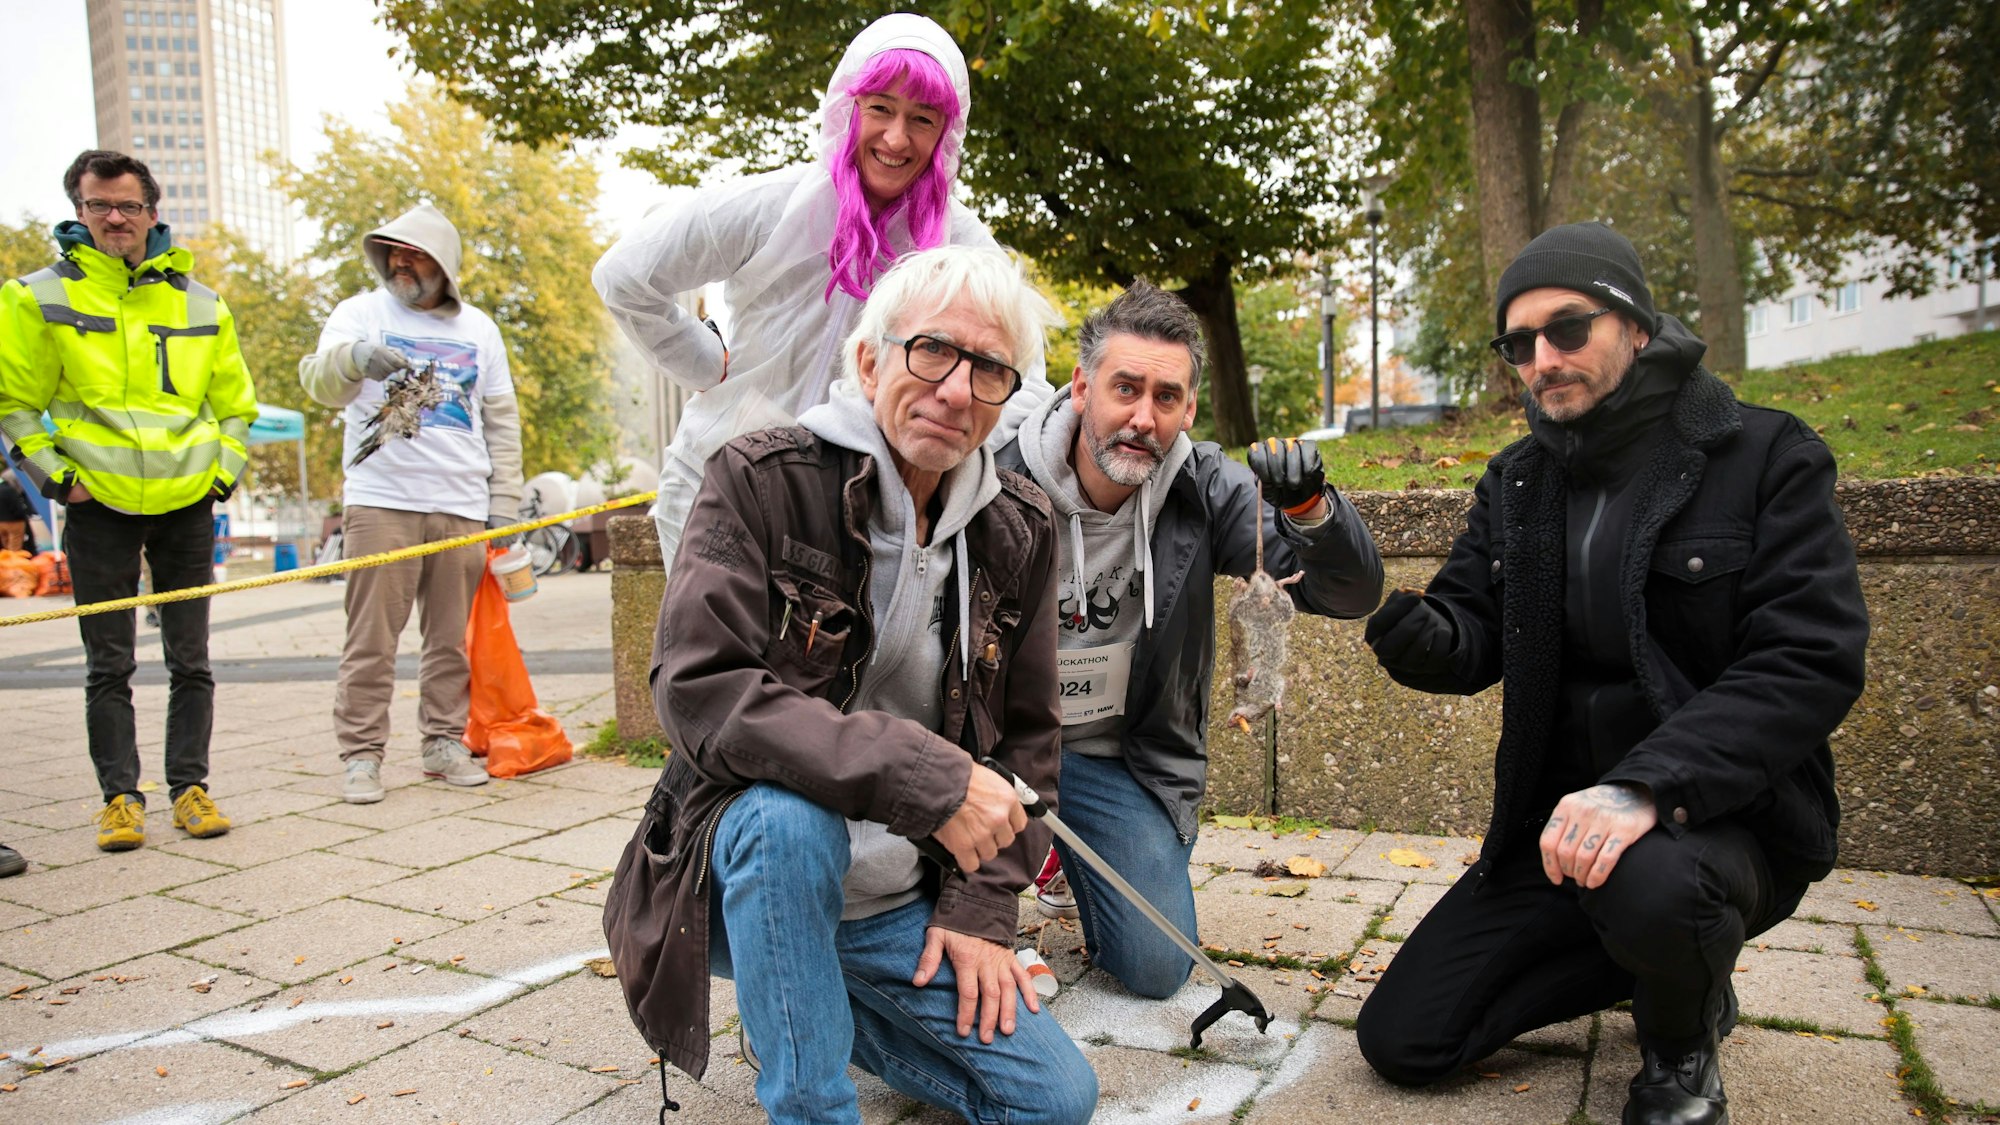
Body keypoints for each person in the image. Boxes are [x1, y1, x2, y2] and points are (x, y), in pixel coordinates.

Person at [1356, 222, 1869, 1124]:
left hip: (1718, 826)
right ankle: (1670, 964)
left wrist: (1642, 787)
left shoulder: (1765, 457)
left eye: (1568, 329)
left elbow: (1809, 661)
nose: (1543, 359)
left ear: (1635, 325)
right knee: (1404, 1040)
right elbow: (1469, 636)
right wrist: (1384, 611)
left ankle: (1681, 1039)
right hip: (1563, 838)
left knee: (1657, 888)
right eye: (1520, 343)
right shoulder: (1517, 479)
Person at [606, 246, 1096, 1124]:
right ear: (870, 359)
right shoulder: (759, 477)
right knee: (790, 819)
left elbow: (1029, 750)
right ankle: (810, 1097)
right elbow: (699, 690)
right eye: (932, 351)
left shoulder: (1020, 528)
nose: (955, 389)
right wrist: (923, 774)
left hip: (892, 895)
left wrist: (981, 905)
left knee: (1055, 1101)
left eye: (989, 370)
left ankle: (805, 996)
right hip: (744, 868)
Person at [997, 280, 1384, 994]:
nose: (1143, 418)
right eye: (1125, 388)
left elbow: (1349, 592)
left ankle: (1064, 858)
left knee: (1156, 967)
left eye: (1166, 397)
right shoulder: (1001, 478)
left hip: (1114, 759)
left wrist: (1312, 508)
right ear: (1082, 387)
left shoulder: (1207, 487)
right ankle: (999, 901)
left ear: (1190, 408)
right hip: (999, 748)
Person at [593, 13, 1051, 576]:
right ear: (847, 108)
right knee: (710, 660)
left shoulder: (963, 245)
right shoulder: (769, 206)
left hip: (865, 523)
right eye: (880, 108)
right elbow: (626, 275)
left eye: (922, 119)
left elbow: (1025, 382)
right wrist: (705, 362)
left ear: (946, 134)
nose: (896, 137)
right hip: (721, 493)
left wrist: (934, 442)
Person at [0, 149, 256, 851]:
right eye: (98, 204)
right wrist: (61, 479)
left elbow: (236, 404)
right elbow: (14, 403)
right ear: (77, 211)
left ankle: (190, 787)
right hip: (97, 503)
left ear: (152, 212)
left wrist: (219, 473)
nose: (115, 217)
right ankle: (120, 797)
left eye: (128, 205)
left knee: (191, 657)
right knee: (107, 662)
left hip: (186, 501)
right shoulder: (36, 295)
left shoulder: (201, 302)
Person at [299, 203, 524, 804]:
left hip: (461, 503)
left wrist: (503, 498)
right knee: (371, 640)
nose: (400, 263)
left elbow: (501, 420)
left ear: (443, 264)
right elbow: (318, 384)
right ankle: (361, 755)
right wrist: (353, 359)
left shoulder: (480, 328)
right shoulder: (358, 313)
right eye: (392, 252)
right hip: (382, 502)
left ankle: (443, 742)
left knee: (450, 641)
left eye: (415, 253)